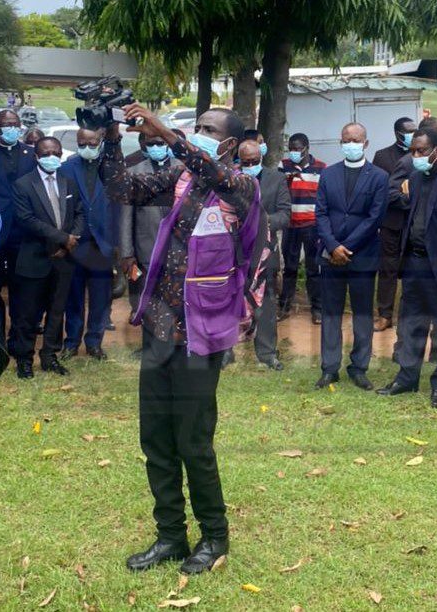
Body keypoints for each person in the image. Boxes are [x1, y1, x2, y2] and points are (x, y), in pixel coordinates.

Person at [101, 103, 259, 575]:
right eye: (197, 128)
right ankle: (170, 535)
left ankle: (214, 536)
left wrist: (165, 132)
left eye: (209, 130)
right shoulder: (180, 180)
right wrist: (111, 137)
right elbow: (120, 187)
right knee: (156, 439)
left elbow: (207, 167)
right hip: (160, 328)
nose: (199, 135)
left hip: (203, 335)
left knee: (194, 441)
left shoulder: (240, 187)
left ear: (228, 144)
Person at [376, 128, 437, 406]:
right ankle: (406, 378)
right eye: (413, 151)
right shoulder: (415, 178)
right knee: (410, 325)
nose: (415, 156)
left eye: (421, 151)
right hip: (415, 263)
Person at [315, 122, 389, 391]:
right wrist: (332, 246)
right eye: (347, 139)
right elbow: (321, 214)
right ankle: (329, 368)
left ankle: (359, 367)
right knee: (331, 314)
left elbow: (375, 217)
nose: (351, 143)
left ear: (366, 143)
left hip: (363, 255)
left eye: (356, 140)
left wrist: (347, 247)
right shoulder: (328, 174)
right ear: (341, 142)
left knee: (362, 315)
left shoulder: (379, 177)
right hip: (330, 255)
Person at [9, 136, 86, 378]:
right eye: (45, 153)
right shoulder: (23, 185)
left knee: (56, 311)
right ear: (36, 156)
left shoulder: (69, 183)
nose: (51, 157)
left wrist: (72, 238)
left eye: (56, 152)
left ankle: (50, 356)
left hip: (64, 259)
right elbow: (26, 220)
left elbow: (81, 214)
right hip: (34, 258)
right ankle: (24, 359)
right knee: (27, 313)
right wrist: (63, 238)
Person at [61, 127, 118, 360]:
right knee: (73, 296)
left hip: (102, 243)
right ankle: (71, 342)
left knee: (100, 297)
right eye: (82, 142)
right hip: (75, 243)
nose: (87, 147)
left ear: (101, 139)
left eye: (92, 142)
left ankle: (94, 341)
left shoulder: (111, 168)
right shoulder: (66, 168)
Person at [0, 109, 36, 338]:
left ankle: (18, 338)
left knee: (20, 288)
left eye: (14, 124)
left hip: (24, 233)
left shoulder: (32, 154)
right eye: (6, 125)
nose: (11, 128)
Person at [237, 139, 291, 370]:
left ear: (261, 158)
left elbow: (285, 215)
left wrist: (260, 222)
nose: (250, 166)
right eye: (246, 162)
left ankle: (267, 353)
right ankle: (226, 352)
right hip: (234, 254)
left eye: (254, 161)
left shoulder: (276, 179)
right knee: (230, 303)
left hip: (265, 253)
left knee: (266, 304)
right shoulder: (230, 180)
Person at [119, 133, 181, 317]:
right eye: (151, 144)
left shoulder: (183, 169)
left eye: (160, 143)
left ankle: (177, 344)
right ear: (144, 145)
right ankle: (149, 344)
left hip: (179, 248)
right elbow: (125, 217)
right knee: (147, 300)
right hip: (146, 247)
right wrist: (127, 253)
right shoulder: (133, 172)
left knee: (176, 299)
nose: (156, 147)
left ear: (168, 144)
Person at [371, 117, 417, 332]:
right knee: (388, 269)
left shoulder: (421, 154)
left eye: (414, 131)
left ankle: (409, 316)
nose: (411, 135)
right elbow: (380, 191)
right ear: (397, 133)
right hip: (391, 222)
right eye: (407, 132)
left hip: (415, 223)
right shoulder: (382, 156)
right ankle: (385, 314)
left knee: (412, 269)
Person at [278, 133, 326, 324]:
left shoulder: (321, 168)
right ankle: (284, 306)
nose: (294, 152)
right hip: (290, 224)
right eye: (291, 148)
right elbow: (279, 190)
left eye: (297, 148)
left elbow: (324, 197)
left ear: (307, 148)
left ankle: (317, 309)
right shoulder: (284, 166)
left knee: (313, 268)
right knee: (289, 267)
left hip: (311, 225)